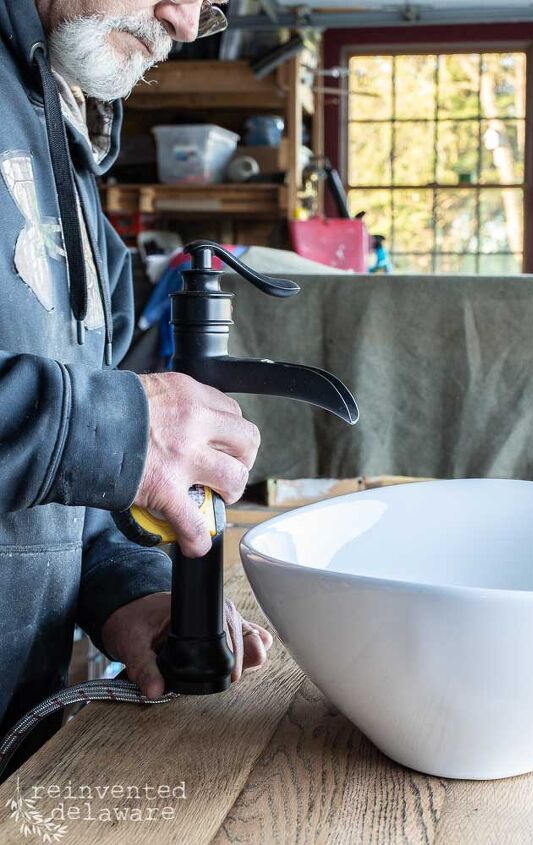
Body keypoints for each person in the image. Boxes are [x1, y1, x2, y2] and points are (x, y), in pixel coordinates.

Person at [0, 0, 272, 779]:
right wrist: (117, 429)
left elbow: (65, 500)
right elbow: (81, 435)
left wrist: (133, 595)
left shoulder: (62, 132)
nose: (184, 22)